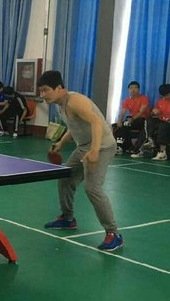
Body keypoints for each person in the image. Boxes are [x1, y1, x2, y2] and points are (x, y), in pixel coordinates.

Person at [39, 70, 123, 252]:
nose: (42, 94)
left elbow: (96, 122)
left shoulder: (75, 101)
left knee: (93, 188)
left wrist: (94, 150)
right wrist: (60, 143)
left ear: (59, 88)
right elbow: (74, 126)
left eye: (45, 90)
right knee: (65, 178)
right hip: (83, 147)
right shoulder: (60, 104)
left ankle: (114, 233)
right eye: (41, 91)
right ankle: (67, 219)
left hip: (102, 146)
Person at [132, 84, 170, 161]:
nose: (165, 97)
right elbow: (152, 113)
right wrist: (154, 112)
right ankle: (146, 143)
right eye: (163, 95)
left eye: (167, 95)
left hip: (167, 123)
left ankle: (162, 153)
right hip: (160, 121)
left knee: (163, 126)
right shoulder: (160, 101)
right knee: (148, 121)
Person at [113, 81, 150, 154]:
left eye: (135, 88)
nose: (133, 90)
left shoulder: (144, 98)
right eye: (131, 88)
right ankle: (124, 146)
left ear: (139, 89)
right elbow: (122, 112)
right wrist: (119, 121)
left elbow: (141, 112)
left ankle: (120, 146)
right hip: (131, 120)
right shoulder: (126, 100)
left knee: (126, 124)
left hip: (142, 120)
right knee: (116, 126)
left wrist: (132, 119)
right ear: (128, 90)